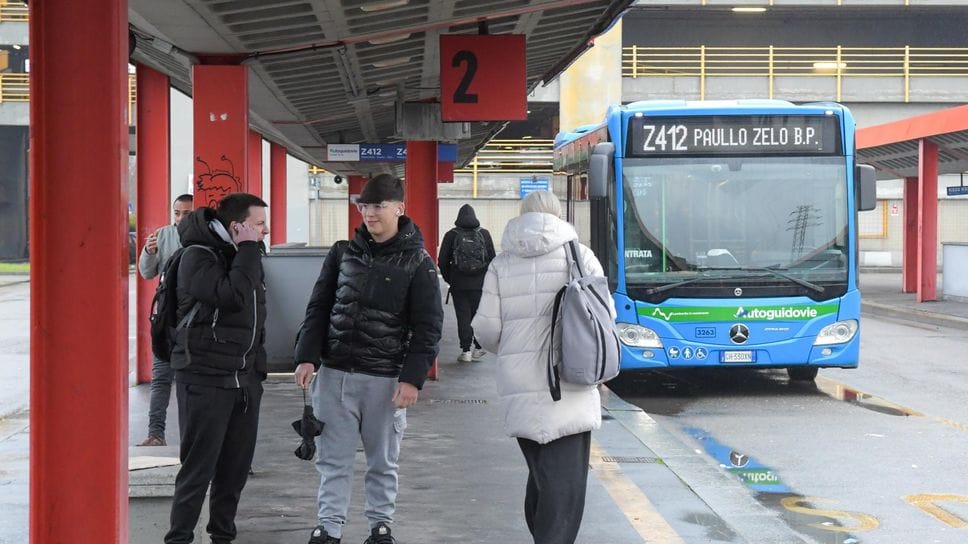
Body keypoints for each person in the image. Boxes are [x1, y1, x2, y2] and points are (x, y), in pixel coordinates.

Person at [294, 174, 443, 544]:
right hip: (335, 376)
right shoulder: (342, 253)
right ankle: (329, 528)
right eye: (364, 206)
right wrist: (307, 357)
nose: (370, 213)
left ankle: (380, 527)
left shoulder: (419, 263)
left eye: (378, 206)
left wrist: (412, 378)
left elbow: (428, 325)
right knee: (332, 459)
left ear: (399, 208)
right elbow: (319, 307)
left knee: (382, 461)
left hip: (386, 379)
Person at [472, 190, 610, 544]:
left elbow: (486, 331)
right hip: (571, 382)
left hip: (519, 385)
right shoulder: (581, 256)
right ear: (557, 215)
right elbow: (605, 318)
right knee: (564, 491)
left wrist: (514, 350)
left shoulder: (501, 264)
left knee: (544, 478)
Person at [165, 193, 270, 544]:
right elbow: (233, 296)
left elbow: (254, 316)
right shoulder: (198, 256)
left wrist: (257, 371)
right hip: (205, 378)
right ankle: (179, 538)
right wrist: (249, 250)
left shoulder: (243, 255)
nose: (264, 230)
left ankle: (222, 537)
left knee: (234, 471)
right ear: (236, 226)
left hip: (243, 380)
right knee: (198, 469)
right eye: (258, 224)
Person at [137, 193, 194, 447]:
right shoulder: (162, 235)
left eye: (187, 213)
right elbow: (146, 272)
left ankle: (191, 437)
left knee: (191, 383)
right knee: (161, 377)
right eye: (177, 213)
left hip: (193, 323)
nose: (181, 218)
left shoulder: (205, 237)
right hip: (166, 320)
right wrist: (149, 253)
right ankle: (155, 433)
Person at [437, 204, 495, 362]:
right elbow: (492, 259)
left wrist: (450, 278)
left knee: (463, 315)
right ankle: (478, 347)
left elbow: (442, 261)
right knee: (478, 315)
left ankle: (465, 351)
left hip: (459, 284)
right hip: (480, 284)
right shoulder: (484, 234)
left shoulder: (451, 235)